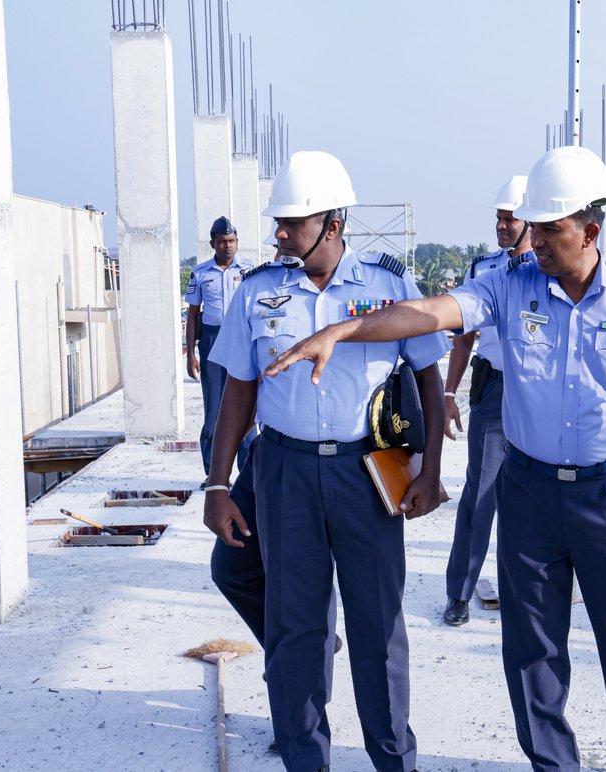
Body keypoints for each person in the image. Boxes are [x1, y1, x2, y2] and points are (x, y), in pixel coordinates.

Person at [266, 146, 606, 772]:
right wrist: (342, 330)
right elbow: (427, 313)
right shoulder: (509, 287)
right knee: (533, 650)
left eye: (549, 229)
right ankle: (553, 764)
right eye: (531, 227)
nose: (533, 239)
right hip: (530, 493)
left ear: (590, 231)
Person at [203, 150, 449, 772]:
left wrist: (431, 469)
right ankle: (305, 757)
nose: (279, 233)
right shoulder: (258, 291)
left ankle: (393, 758)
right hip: (283, 471)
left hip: (367, 475)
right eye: (279, 223)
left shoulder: (387, 286)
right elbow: (238, 388)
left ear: (333, 225)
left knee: (379, 628)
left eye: (293, 223)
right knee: (294, 629)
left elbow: (426, 373)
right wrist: (217, 482)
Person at [441, 174, 534, 627]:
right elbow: (463, 339)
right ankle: (459, 592)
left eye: (509, 218)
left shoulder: (550, 271)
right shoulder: (483, 272)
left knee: (536, 496)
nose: (501, 226)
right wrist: (447, 393)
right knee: (481, 492)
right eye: (498, 218)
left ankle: (529, 593)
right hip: (494, 390)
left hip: (538, 390)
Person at [185, 216, 250, 485]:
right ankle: (214, 475)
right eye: (222, 241)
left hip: (242, 341)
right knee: (214, 411)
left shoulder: (248, 272)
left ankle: (247, 474)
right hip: (211, 342)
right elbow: (192, 315)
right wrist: (190, 353)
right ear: (213, 243)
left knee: (247, 410)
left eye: (232, 241)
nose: (228, 246)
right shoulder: (200, 274)